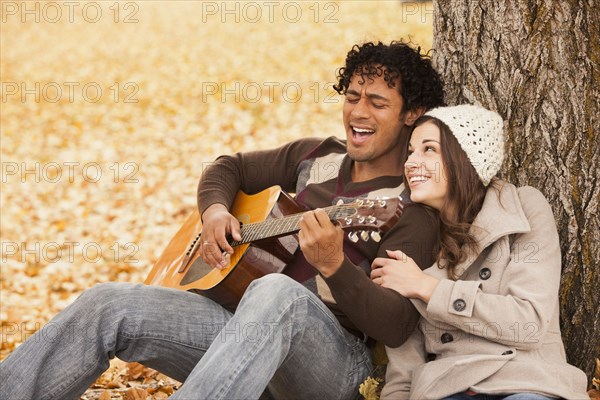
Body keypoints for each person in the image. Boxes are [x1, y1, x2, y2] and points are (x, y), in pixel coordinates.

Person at [0, 41, 445, 400]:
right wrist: (214, 211)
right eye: (352, 97)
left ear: (410, 114)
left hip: (335, 370)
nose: (358, 112)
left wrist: (335, 266)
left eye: (377, 102)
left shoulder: (410, 209)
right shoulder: (316, 155)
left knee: (278, 293)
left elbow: (397, 325)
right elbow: (226, 168)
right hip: (240, 338)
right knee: (108, 303)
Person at [371, 104, 589, 399]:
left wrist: (428, 288)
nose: (411, 162)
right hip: (448, 389)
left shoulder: (523, 209)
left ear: (465, 159)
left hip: (526, 384)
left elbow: (528, 322)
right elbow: (403, 365)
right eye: (410, 151)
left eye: (428, 149)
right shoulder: (413, 237)